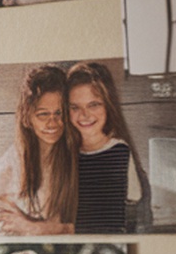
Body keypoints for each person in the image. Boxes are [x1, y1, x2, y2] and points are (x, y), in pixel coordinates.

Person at [0, 64, 77, 235]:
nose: (53, 123)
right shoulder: (7, 167)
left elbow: (91, 225)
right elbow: (6, 227)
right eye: (43, 114)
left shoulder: (77, 156)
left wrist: (35, 227)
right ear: (27, 117)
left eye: (59, 113)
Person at [65, 61, 151, 234]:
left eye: (94, 105)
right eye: (75, 107)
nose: (84, 115)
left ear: (108, 104)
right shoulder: (65, 154)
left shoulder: (119, 151)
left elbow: (136, 206)